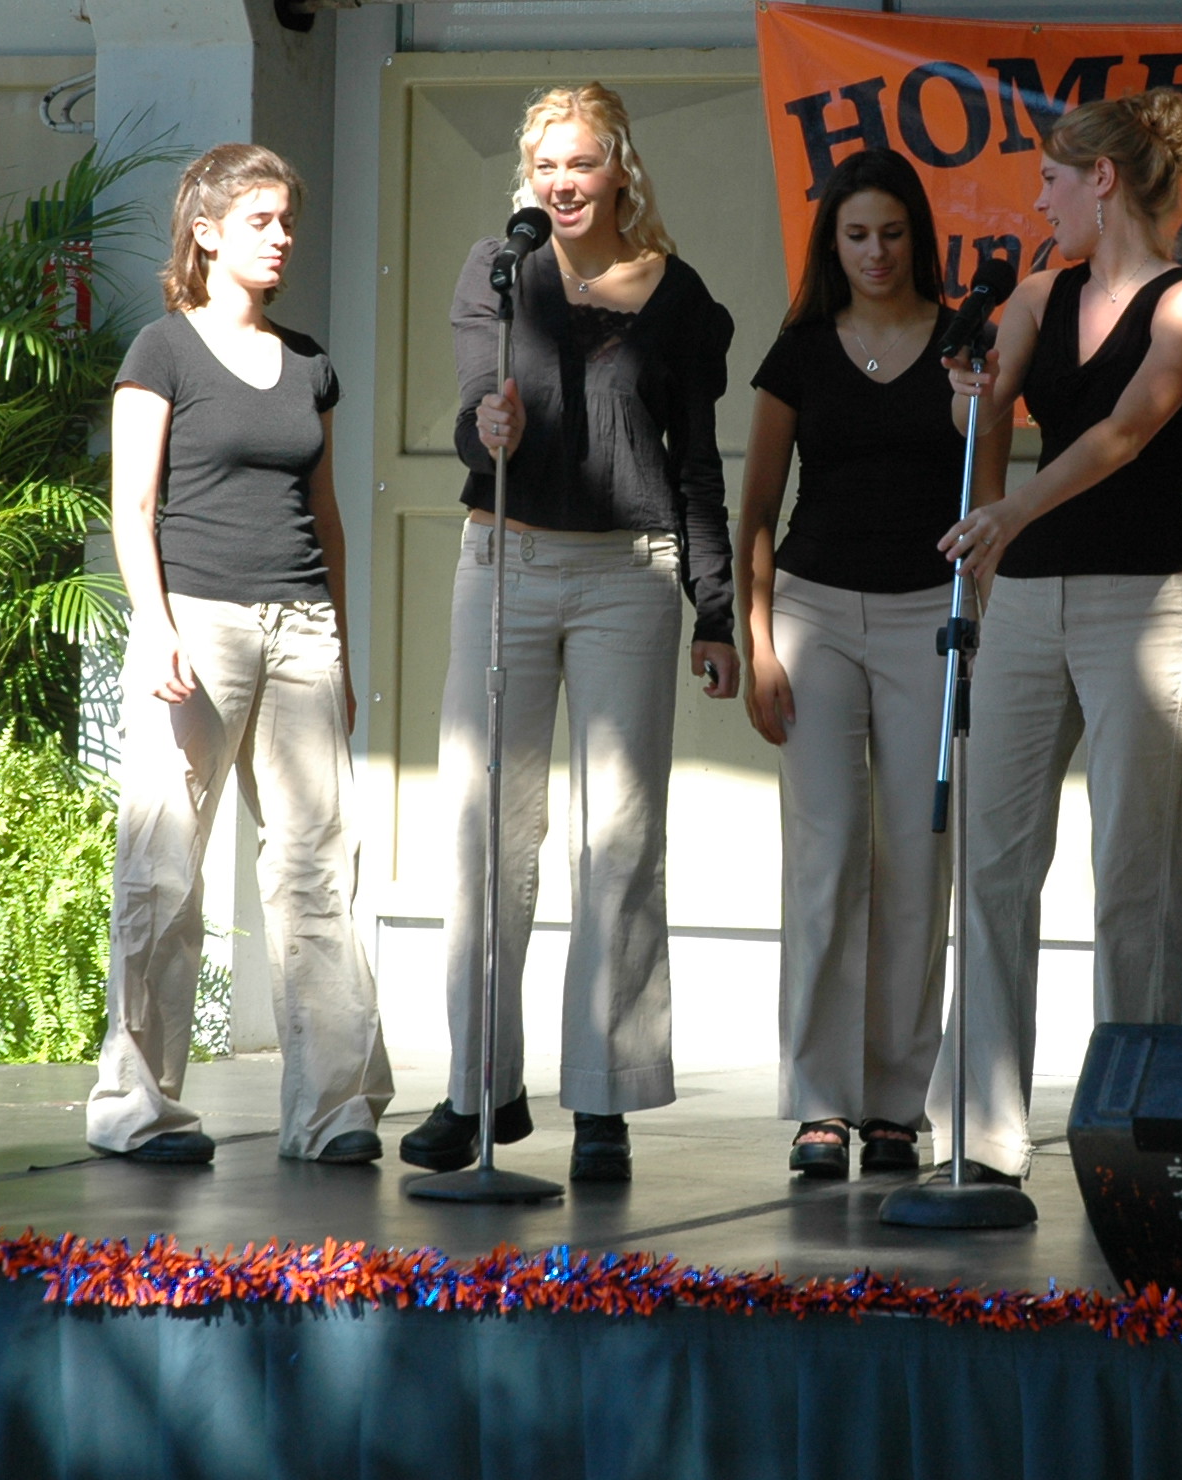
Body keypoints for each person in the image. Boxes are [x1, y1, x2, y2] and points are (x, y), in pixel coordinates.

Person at [403, 83, 739, 1186]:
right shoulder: (498, 273)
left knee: (620, 840)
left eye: (581, 162)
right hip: (503, 561)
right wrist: (484, 425)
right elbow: (476, 415)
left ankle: (604, 1096)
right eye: (545, 165)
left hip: (628, 575)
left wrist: (715, 606)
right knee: (487, 829)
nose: (562, 183)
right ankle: (478, 1088)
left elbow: (695, 462)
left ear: (619, 169)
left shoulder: (678, 297)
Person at [934, 86, 1182, 1185]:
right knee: (993, 859)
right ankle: (979, 1129)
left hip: (1137, 599)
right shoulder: (1036, 291)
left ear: (1103, 180)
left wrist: (1011, 511)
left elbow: (1126, 429)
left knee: (1132, 870)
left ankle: (1132, 1123)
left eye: (1053, 179)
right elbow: (981, 415)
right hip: (1027, 597)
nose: (1039, 199)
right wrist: (966, 392)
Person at [89, 142, 394, 1167]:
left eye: (287, 221)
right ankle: (137, 1107)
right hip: (198, 622)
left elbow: (328, 517)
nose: (282, 238)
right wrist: (155, 624)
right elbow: (132, 507)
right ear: (207, 232)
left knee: (318, 869)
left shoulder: (309, 362)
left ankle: (333, 1111)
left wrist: (342, 651)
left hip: (302, 628)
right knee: (163, 870)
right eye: (261, 220)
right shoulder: (162, 349)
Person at [737, 149, 962, 1180]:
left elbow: (984, 499)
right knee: (825, 858)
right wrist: (756, 642)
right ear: (831, 242)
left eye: (892, 233)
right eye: (856, 234)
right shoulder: (799, 350)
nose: (875, 252)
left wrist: (976, 625)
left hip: (928, 617)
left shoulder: (962, 346)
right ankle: (819, 1103)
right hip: (813, 614)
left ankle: (895, 1105)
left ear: (918, 237)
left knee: (916, 857)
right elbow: (756, 508)